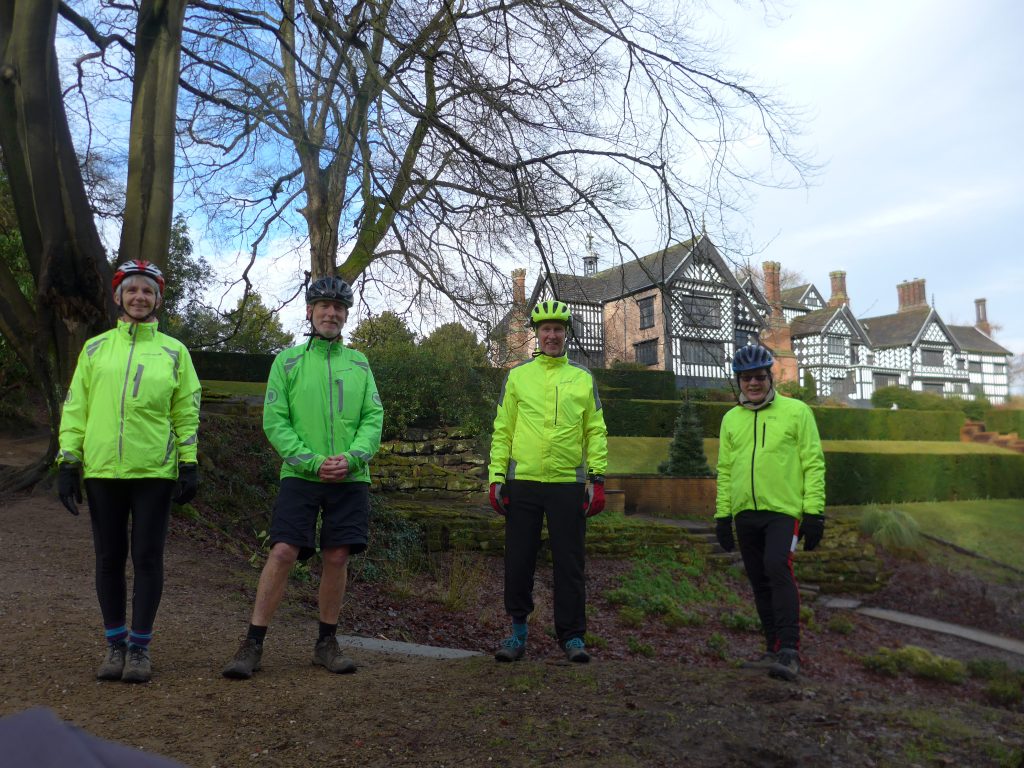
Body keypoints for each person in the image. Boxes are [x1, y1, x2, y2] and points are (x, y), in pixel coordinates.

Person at [222, 276, 383, 680]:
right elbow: (275, 421)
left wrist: (352, 457)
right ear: (309, 312)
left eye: (339, 308)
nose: (332, 313)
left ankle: (326, 643)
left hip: (350, 476)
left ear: (346, 315)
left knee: (337, 555)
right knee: (282, 552)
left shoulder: (359, 363)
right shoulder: (287, 361)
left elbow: (373, 418)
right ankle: (252, 643)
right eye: (324, 306)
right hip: (301, 473)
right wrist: (311, 461)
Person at [57, 260, 201, 684]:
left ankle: (139, 648)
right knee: (108, 558)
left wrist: (189, 462)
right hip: (103, 469)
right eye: (132, 290)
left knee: (147, 558)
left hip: (154, 471)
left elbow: (186, 411)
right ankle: (114, 644)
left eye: (148, 291)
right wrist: (68, 460)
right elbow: (76, 407)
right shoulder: (96, 349)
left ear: (158, 299)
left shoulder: (175, 352)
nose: (140, 297)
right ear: (118, 297)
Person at [488, 300, 608, 663]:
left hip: (567, 483)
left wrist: (597, 478)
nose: (551, 335)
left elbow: (595, 430)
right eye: (545, 330)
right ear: (536, 335)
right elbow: (502, 429)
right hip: (523, 480)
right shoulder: (517, 376)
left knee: (570, 563)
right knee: (518, 560)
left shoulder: (583, 377)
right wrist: (496, 476)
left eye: (557, 329)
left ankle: (572, 637)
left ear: (565, 333)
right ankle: (517, 633)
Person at [714, 344, 825, 682]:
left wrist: (814, 513)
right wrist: (722, 516)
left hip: (783, 511)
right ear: (739, 381)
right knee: (759, 580)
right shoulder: (731, 419)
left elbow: (813, 463)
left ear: (769, 377)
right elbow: (725, 470)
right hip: (745, 512)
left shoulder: (797, 412)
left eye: (759, 377)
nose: (754, 384)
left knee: (777, 568)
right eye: (747, 379)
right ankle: (771, 649)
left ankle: (790, 650)